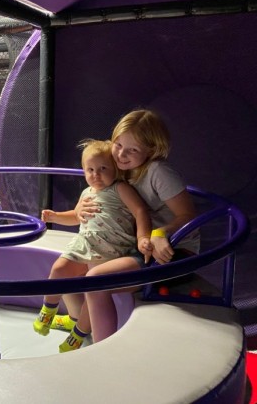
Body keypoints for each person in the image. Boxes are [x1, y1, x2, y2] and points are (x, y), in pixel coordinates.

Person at [79, 109, 200, 344]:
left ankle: (103, 350)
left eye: (132, 149)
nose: (121, 154)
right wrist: (79, 209)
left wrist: (161, 233)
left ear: (151, 150)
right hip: (140, 245)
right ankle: (78, 331)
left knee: (95, 280)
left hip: (174, 251)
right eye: (118, 144)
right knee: (80, 269)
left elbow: (187, 215)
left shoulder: (158, 172)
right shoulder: (119, 168)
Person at [32, 139, 152, 353]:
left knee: (92, 293)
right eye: (90, 170)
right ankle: (47, 311)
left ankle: (77, 336)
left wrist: (143, 236)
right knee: (59, 269)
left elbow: (140, 211)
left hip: (112, 249)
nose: (96, 175)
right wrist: (55, 216)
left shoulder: (120, 188)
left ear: (115, 169)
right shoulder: (87, 193)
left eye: (103, 169)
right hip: (84, 245)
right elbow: (75, 217)